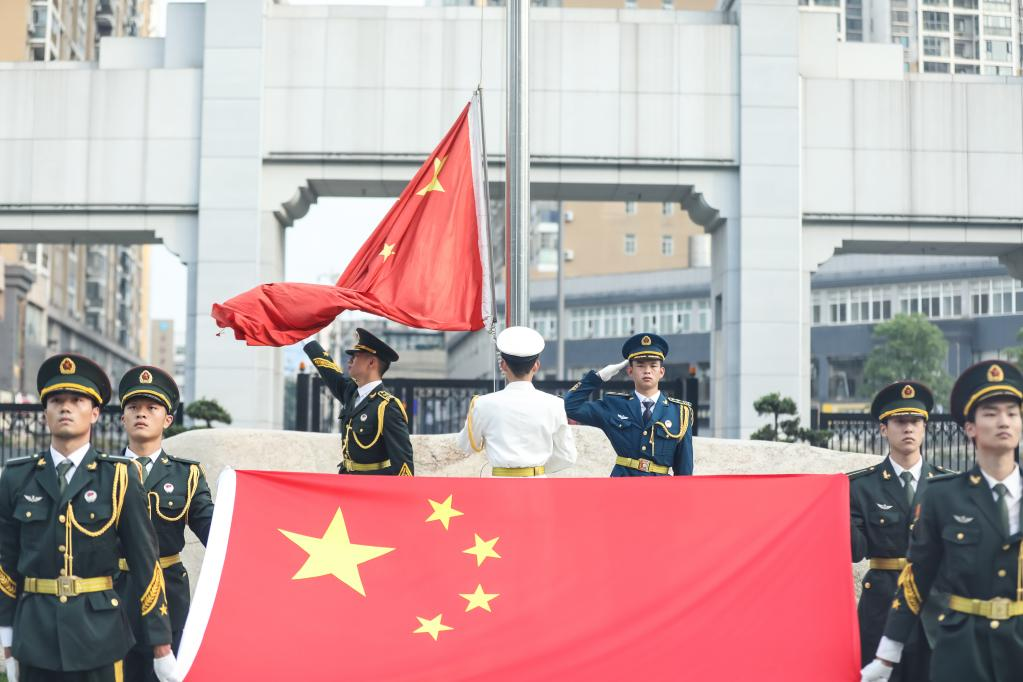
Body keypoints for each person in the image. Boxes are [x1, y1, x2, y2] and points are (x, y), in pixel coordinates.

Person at [0, 354, 175, 682]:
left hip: (99, 634)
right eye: (56, 401)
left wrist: (161, 644)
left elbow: (145, 563)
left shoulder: (118, 477)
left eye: (77, 401)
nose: (65, 408)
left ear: (94, 413)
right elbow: (5, 562)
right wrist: (6, 636)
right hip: (35, 633)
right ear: (45, 412)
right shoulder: (17, 477)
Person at [862, 360, 1023, 682]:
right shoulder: (944, 497)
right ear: (970, 428)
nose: (1003, 421)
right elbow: (917, 577)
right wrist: (888, 654)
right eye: (991, 413)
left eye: (1012, 412)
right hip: (961, 646)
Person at [115, 366, 214, 681]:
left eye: (151, 408)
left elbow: (216, 533)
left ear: (167, 420)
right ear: (122, 418)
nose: (141, 414)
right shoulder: (102, 472)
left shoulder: (186, 475)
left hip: (168, 594)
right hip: (113, 593)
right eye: (133, 407)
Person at [849, 381, 951, 681]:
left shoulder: (947, 486)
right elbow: (855, 552)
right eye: (900, 421)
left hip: (933, 606)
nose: (908, 428)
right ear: (884, 429)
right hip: (882, 605)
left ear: (924, 428)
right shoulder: (861, 487)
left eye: (915, 421)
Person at [563, 333, 694, 477]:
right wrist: (598, 377)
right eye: (640, 365)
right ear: (630, 371)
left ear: (661, 372)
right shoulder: (614, 405)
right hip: (622, 485)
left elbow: (684, 470)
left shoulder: (679, 413)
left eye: (653, 366)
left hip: (660, 488)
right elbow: (569, 407)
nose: (647, 371)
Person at [455, 326, 577, 477]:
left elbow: (466, 445)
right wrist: (536, 469)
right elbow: (567, 456)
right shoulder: (554, 404)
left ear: (503, 365)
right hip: (537, 484)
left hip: (499, 485)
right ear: (536, 366)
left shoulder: (482, 404)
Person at [303, 328, 414, 476]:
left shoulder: (387, 406)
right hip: (346, 480)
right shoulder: (351, 393)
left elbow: (403, 465)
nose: (349, 361)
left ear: (371, 362)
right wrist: (306, 337)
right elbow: (329, 371)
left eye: (355, 357)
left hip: (370, 486)